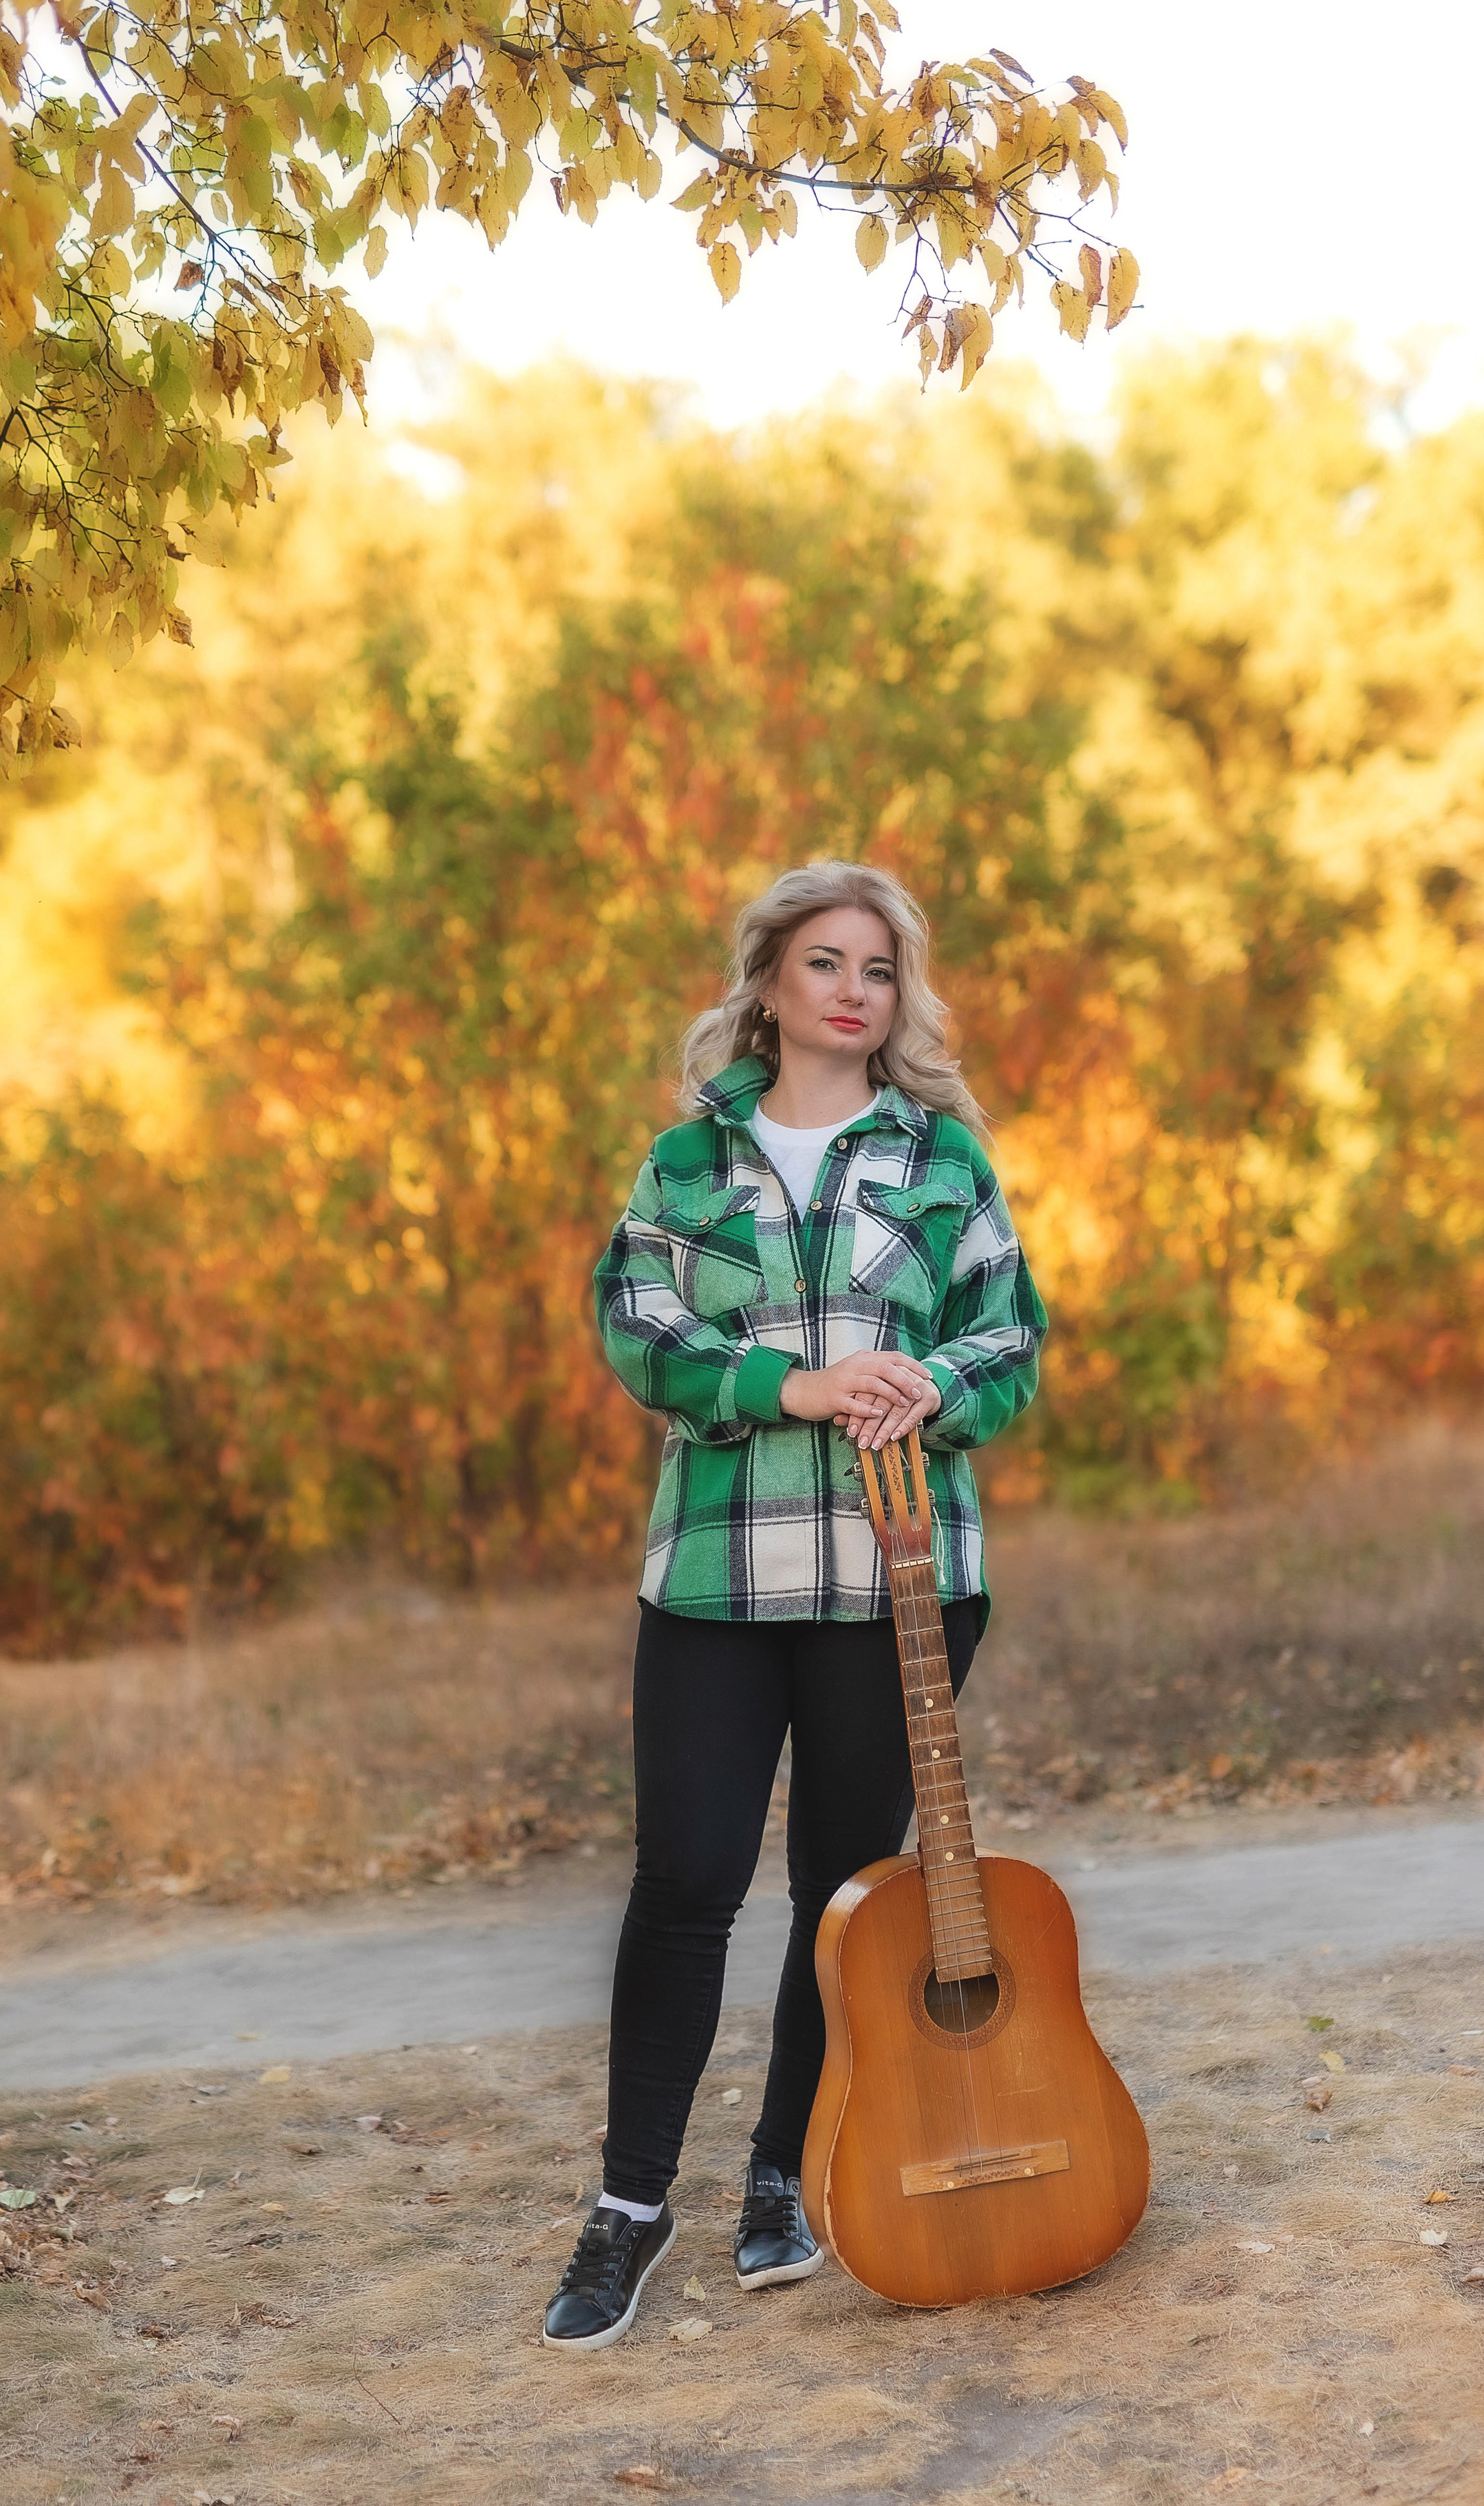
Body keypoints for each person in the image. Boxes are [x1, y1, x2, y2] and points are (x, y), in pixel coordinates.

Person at [540, 858, 1046, 2353]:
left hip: (899, 1585)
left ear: (898, 998)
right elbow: (640, 1335)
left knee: (844, 1900)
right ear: (767, 981)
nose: (850, 987)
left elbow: (1005, 1340)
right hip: (718, 1578)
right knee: (684, 1883)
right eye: (822, 960)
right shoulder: (685, 1163)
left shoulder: (939, 1156)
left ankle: (782, 2168)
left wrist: (930, 1385)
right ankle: (632, 2206)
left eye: (877, 969)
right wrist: (797, 1383)